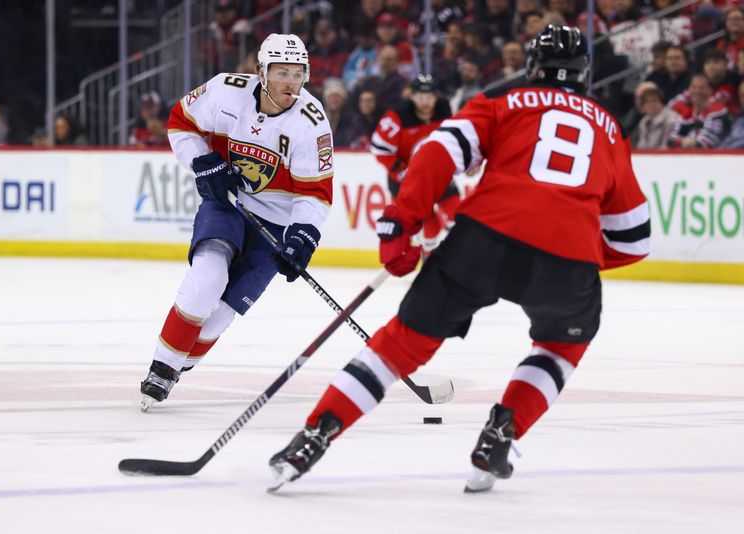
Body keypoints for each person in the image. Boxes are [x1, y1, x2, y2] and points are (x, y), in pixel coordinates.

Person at [269, 25, 650, 493]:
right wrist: (578, 253)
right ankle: (499, 436)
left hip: (482, 240)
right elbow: (634, 239)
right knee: (560, 348)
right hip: (566, 261)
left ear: (531, 69)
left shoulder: (503, 103)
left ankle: (313, 437)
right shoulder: (610, 130)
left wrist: (401, 221)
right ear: (584, 75)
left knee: (397, 347)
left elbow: (437, 152)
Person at [138, 33, 334, 411]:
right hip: (229, 202)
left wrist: (302, 237)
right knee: (206, 278)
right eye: (281, 72)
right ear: (261, 72)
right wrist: (202, 160)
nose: (290, 82)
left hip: (275, 226)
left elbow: (315, 193)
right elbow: (181, 122)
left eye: (298, 73)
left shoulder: (312, 123)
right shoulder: (226, 91)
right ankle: (161, 369)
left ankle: (181, 362)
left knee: (215, 322)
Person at [370, 74, 460, 256]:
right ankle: (428, 256)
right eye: (420, 96)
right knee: (431, 225)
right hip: (406, 181)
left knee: (457, 214)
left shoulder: (444, 109)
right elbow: (380, 150)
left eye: (429, 96)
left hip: (436, 176)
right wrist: (405, 174)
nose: (425, 101)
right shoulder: (396, 117)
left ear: (436, 96)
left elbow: (454, 138)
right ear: (411, 96)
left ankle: (460, 256)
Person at [668, 73, 731, 148]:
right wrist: (682, 142)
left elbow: (706, 144)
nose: (697, 91)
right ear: (688, 89)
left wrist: (685, 143)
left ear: (710, 90)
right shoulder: (687, 111)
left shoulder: (718, 111)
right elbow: (671, 141)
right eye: (694, 87)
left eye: (702, 88)